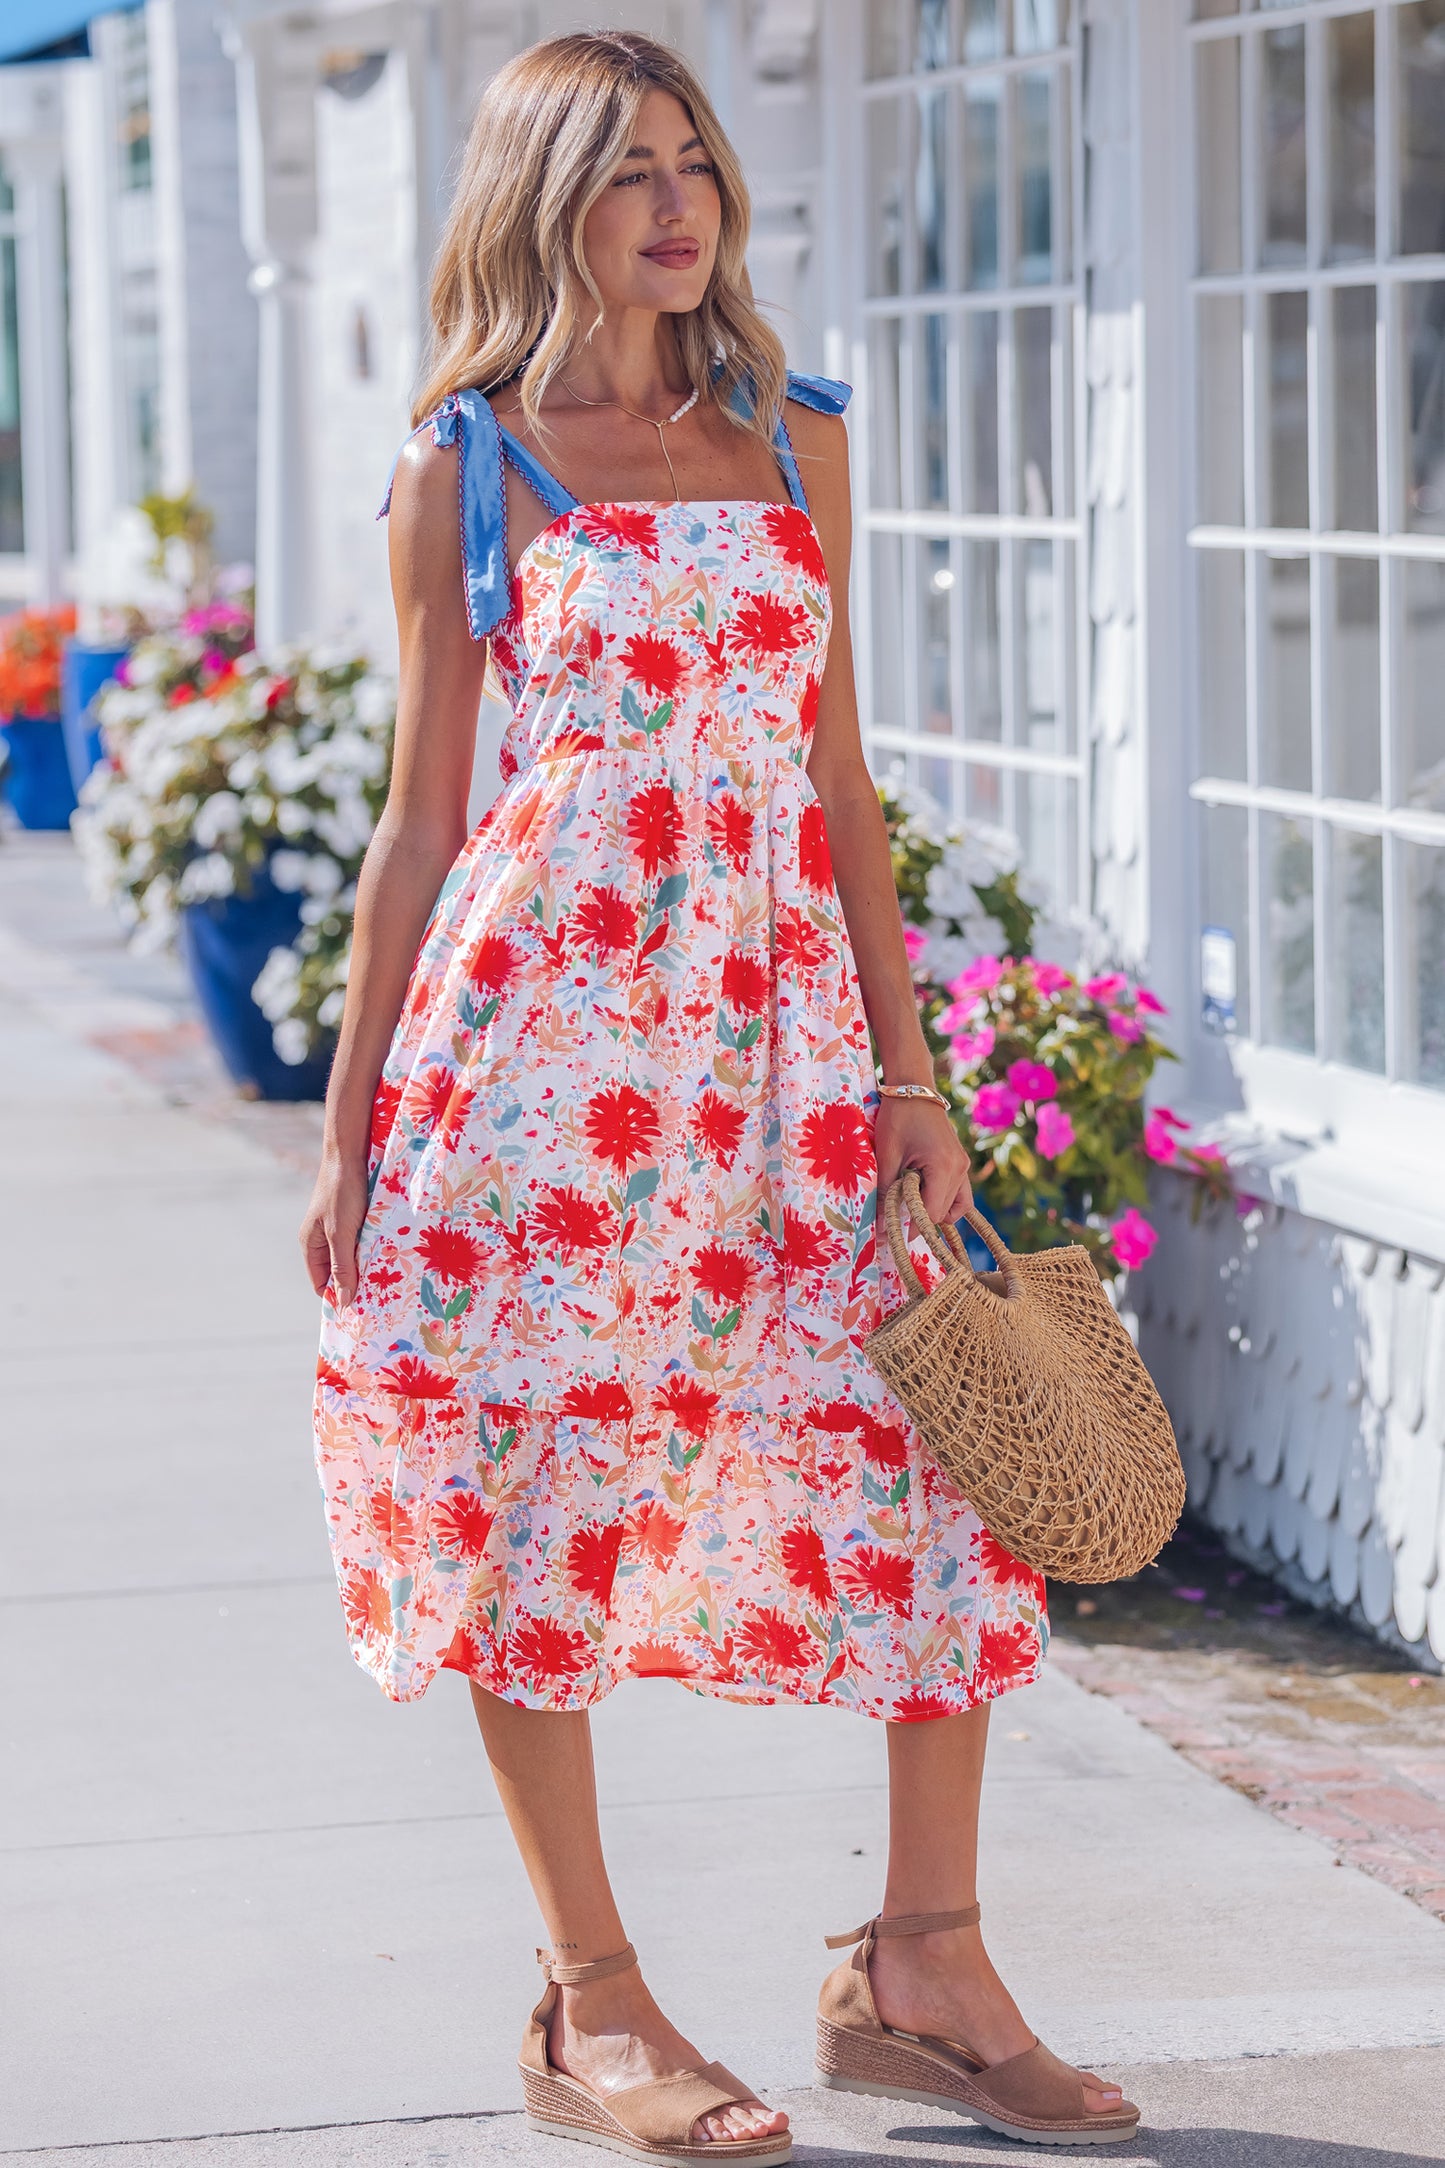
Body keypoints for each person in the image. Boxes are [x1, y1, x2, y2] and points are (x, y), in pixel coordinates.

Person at [300, 28, 1138, 2164]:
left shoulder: (790, 436)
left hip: (786, 1058)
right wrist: (350, 1115)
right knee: (536, 1484)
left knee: (925, 1470)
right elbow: (420, 827)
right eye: (626, 172)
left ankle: (923, 1962)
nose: (679, 205)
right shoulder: (468, 464)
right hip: (542, 1071)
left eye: (698, 163)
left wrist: (917, 1068)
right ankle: (594, 2000)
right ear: (540, 198)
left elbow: (837, 781)